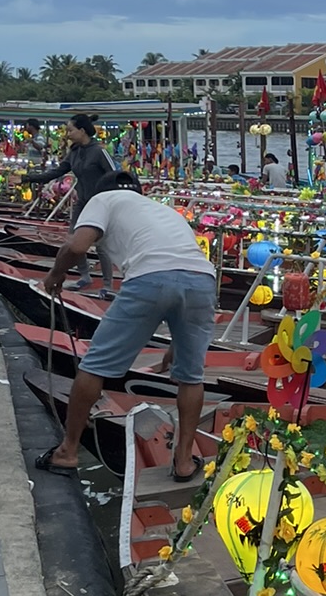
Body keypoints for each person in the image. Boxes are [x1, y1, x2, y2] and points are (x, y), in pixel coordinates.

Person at [34, 173, 216, 482]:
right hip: (202, 279)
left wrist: (55, 275)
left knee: (93, 368)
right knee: (191, 377)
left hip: (149, 277)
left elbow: (77, 246)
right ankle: (184, 462)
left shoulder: (102, 199)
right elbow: (181, 269)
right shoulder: (162, 209)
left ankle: (68, 450)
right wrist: (176, 346)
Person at [28, 113, 116, 295]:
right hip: (82, 202)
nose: (67, 134)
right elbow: (56, 172)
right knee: (72, 240)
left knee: (101, 245)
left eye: (70, 130)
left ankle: (107, 285)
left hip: (100, 203)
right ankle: (85, 276)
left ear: (82, 131)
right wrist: (29, 178)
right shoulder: (75, 153)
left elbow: (115, 176)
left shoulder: (99, 152)